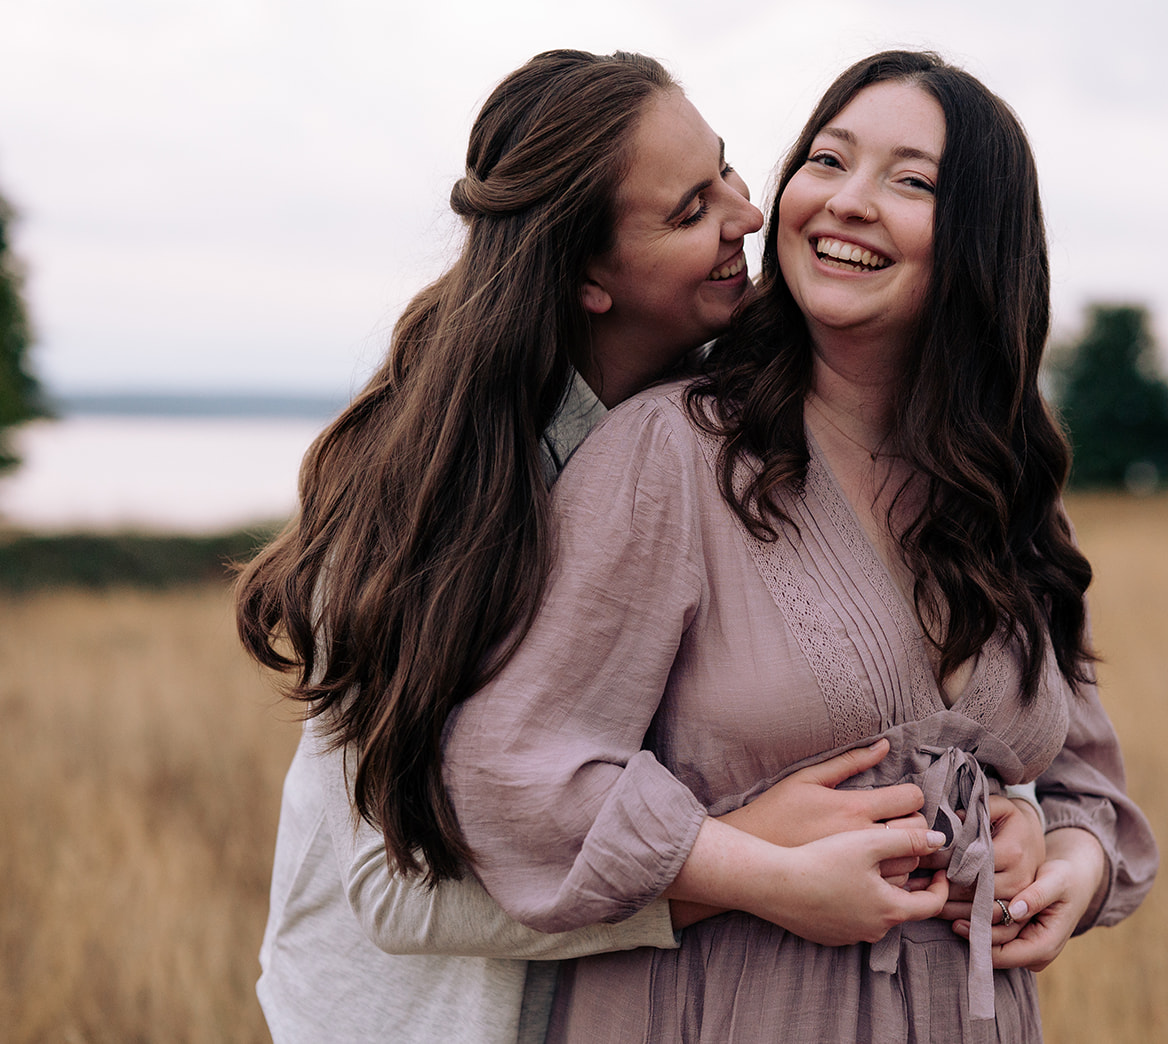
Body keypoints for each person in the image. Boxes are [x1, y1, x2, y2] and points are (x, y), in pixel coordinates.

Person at [236, 49, 1047, 1044]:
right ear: (587, 278)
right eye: (689, 210)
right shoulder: (434, 505)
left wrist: (1023, 816)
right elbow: (395, 896)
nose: (746, 217)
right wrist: (744, 865)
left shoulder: (734, 430)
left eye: (729, 171)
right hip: (425, 1025)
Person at [444, 51, 1158, 1042]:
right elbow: (509, 773)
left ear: (981, 245)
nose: (847, 202)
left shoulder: (1005, 488)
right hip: (721, 1012)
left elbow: (1085, 782)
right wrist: (753, 871)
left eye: (910, 181)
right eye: (828, 159)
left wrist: (1066, 863)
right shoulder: (676, 453)